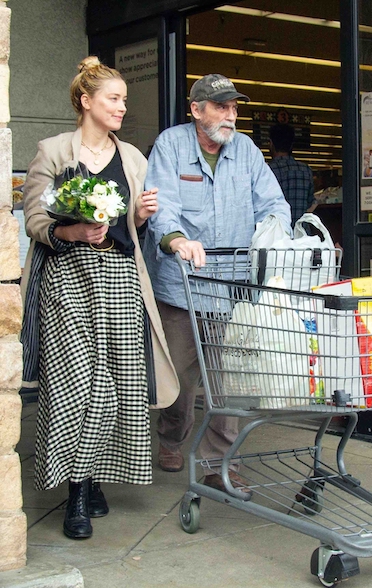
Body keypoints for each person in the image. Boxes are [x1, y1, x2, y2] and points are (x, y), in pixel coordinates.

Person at [21, 56, 179, 540]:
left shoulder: (132, 156)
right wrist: (73, 228)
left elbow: (129, 228)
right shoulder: (52, 150)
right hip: (67, 280)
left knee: (118, 386)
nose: (122, 108)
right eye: (114, 99)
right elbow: (34, 219)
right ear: (86, 101)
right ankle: (76, 496)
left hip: (119, 279)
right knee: (75, 387)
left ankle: (88, 475)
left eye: (125, 100)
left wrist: (142, 213)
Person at [143, 73, 291, 491]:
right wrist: (176, 240)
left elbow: (273, 201)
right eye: (222, 107)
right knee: (181, 380)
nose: (231, 115)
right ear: (196, 110)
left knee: (229, 379)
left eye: (234, 108)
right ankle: (172, 435)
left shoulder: (245, 150)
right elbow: (162, 204)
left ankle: (218, 461)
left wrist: (276, 232)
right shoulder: (171, 145)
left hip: (232, 286)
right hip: (181, 283)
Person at [268, 122, 317, 227]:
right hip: (302, 234)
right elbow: (311, 203)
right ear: (291, 146)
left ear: (271, 143)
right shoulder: (306, 170)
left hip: (277, 235)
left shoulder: (267, 171)